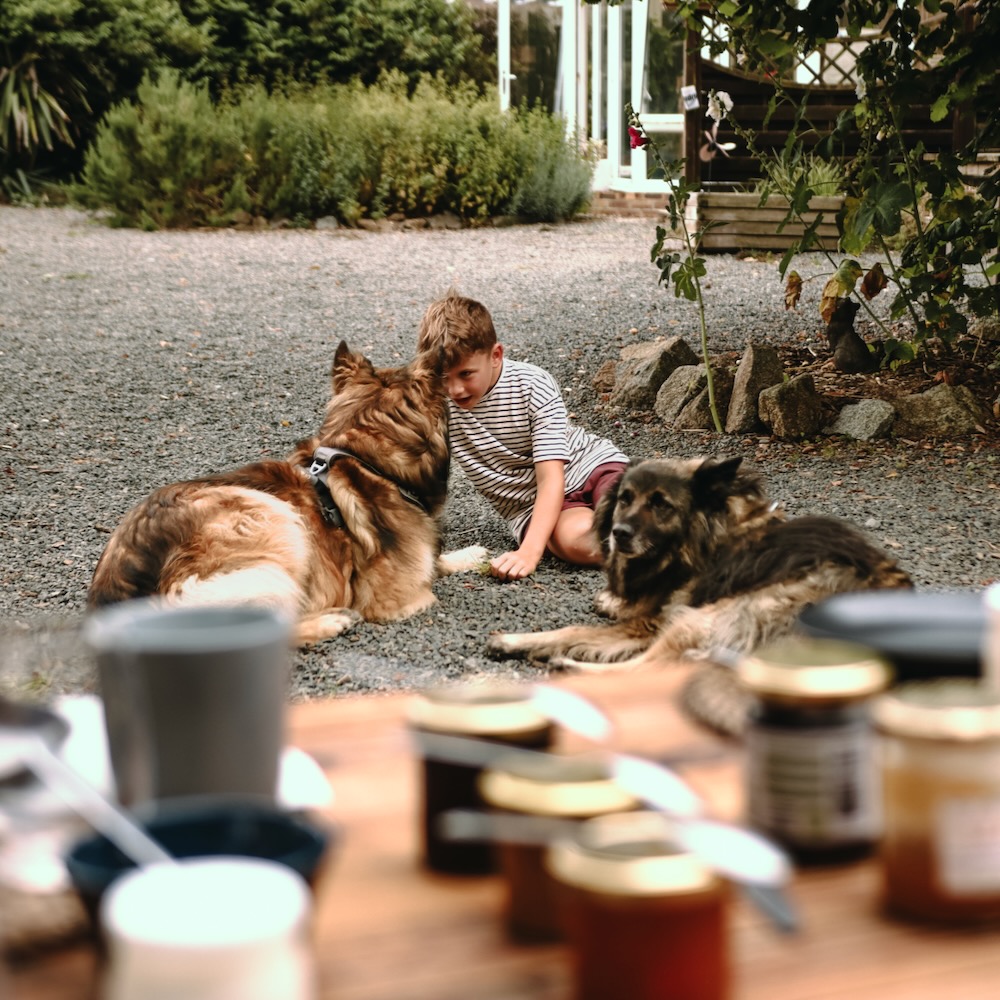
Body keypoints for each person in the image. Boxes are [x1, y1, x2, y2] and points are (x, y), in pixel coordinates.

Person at [417, 293, 628, 582]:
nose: (454, 390)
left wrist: (529, 552)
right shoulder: (436, 406)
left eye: (466, 374)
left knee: (628, 515)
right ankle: (664, 554)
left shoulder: (532, 386)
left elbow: (550, 477)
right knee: (582, 542)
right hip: (530, 506)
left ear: (495, 355)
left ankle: (688, 540)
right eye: (443, 377)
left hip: (591, 468)